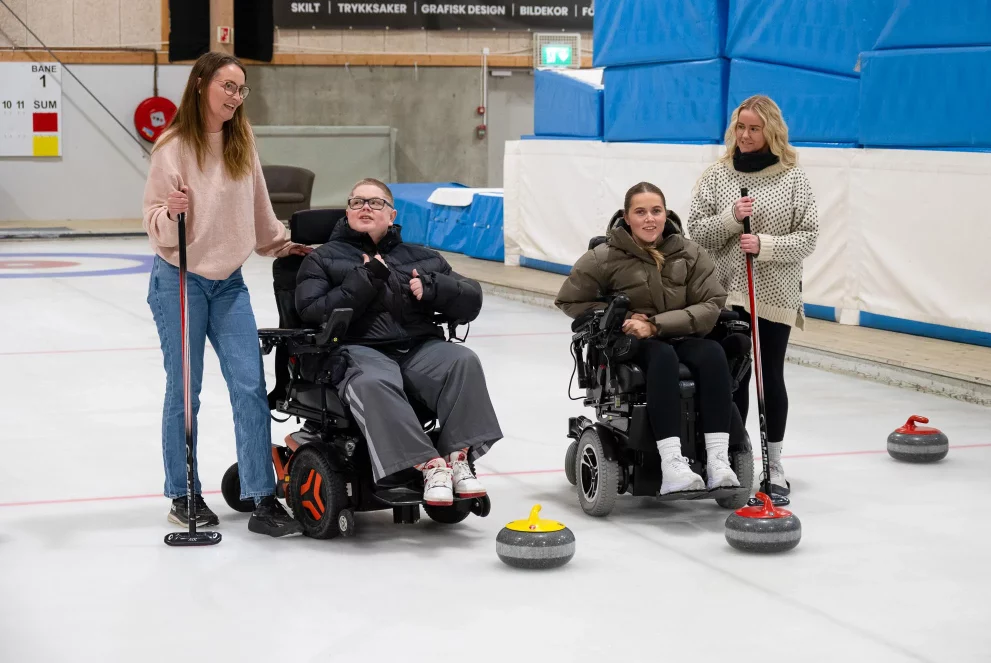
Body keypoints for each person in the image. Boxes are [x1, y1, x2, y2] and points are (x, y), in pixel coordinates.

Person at [142, 51, 311, 537]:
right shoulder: (172, 146)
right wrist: (168, 210)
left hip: (229, 283)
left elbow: (258, 206)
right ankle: (183, 492)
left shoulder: (241, 141)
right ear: (201, 86)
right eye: (228, 87)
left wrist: (283, 243)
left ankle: (262, 498)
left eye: (242, 90)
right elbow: (155, 222)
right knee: (185, 393)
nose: (236, 97)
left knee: (249, 388)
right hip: (180, 278)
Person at [293, 178, 503, 506]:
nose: (365, 207)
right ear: (347, 212)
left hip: (417, 348)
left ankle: (457, 459)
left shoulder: (422, 257)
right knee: (375, 380)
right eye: (356, 202)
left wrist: (437, 289)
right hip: (356, 347)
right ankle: (426, 466)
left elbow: (471, 300)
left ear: (391, 215)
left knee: (462, 361)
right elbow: (311, 310)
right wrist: (364, 279)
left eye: (375, 203)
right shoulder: (322, 259)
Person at [555, 182, 739, 495]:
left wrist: (655, 325)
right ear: (627, 217)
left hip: (677, 333)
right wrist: (620, 315)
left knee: (712, 354)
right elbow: (569, 300)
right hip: (630, 344)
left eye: (656, 211)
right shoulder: (604, 257)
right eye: (640, 212)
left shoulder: (690, 253)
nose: (649, 218)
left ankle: (718, 459)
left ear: (666, 214)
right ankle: (672, 464)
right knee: (662, 358)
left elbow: (711, 304)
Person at [687, 94, 819, 497]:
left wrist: (765, 245)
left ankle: (774, 467)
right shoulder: (717, 175)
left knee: (767, 378)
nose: (745, 135)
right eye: (740, 127)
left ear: (771, 131)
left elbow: (809, 236)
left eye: (754, 128)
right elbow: (696, 229)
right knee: (730, 381)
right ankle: (732, 458)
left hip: (773, 294)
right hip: (725, 295)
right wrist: (730, 219)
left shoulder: (793, 178)